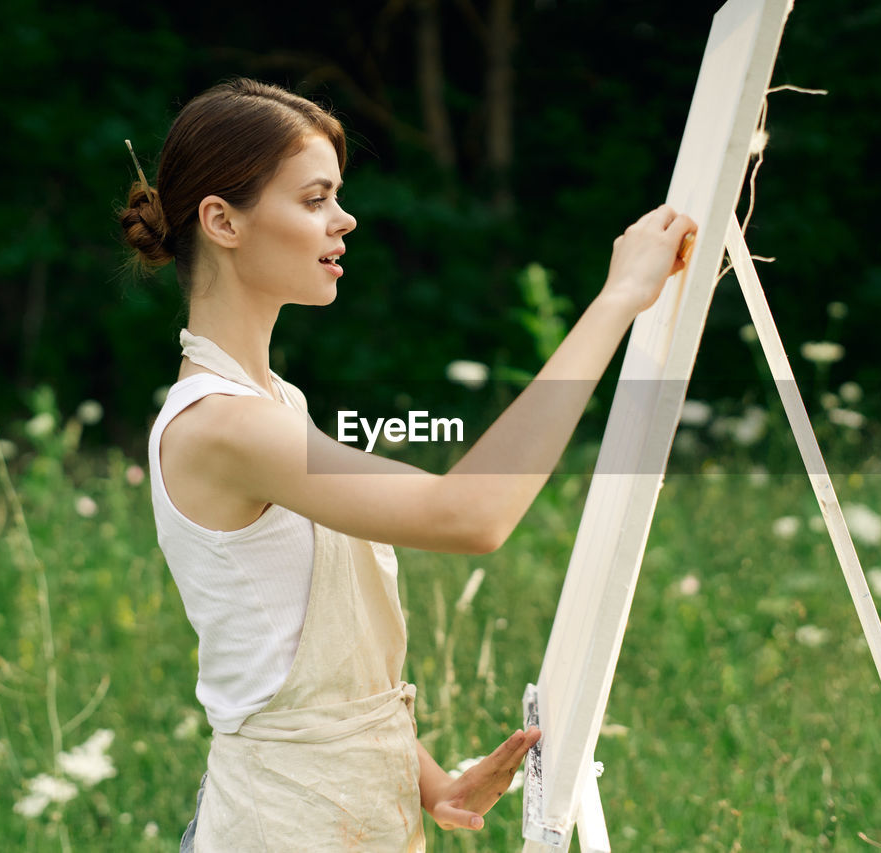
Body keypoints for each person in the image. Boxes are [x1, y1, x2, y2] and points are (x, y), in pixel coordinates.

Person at [119, 77, 695, 852]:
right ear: (222, 220)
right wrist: (617, 299)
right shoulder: (223, 425)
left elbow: (300, 673)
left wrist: (432, 783)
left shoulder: (274, 403)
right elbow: (470, 514)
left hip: (344, 820)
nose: (343, 218)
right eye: (316, 198)